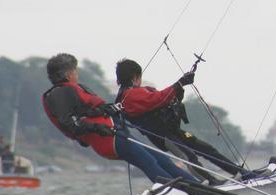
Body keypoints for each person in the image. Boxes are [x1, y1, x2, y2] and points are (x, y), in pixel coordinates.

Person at [42, 53, 197, 184]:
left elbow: (87, 112)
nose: (77, 75)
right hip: (108, 139)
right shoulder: (60, 93)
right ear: (69, 74)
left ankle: (195, 186)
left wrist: (109, 109)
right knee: (149, 162)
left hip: (115, 134)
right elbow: (68, 123)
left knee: (162, 160)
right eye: (75, 71)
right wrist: (97, 128)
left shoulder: (69, 91)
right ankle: (185, 190)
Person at [114, 58, 256, 181]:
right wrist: (180, 83)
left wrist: (180, 87)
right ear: (134, 77)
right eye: (140, 77)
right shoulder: (130, 95)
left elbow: (164, 99)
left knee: (206, 148)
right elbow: (157, 99)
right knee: (188, 156)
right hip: (162, 136)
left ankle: (240, 172)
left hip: (173, 131)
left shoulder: (139, 91)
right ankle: (210, 182)